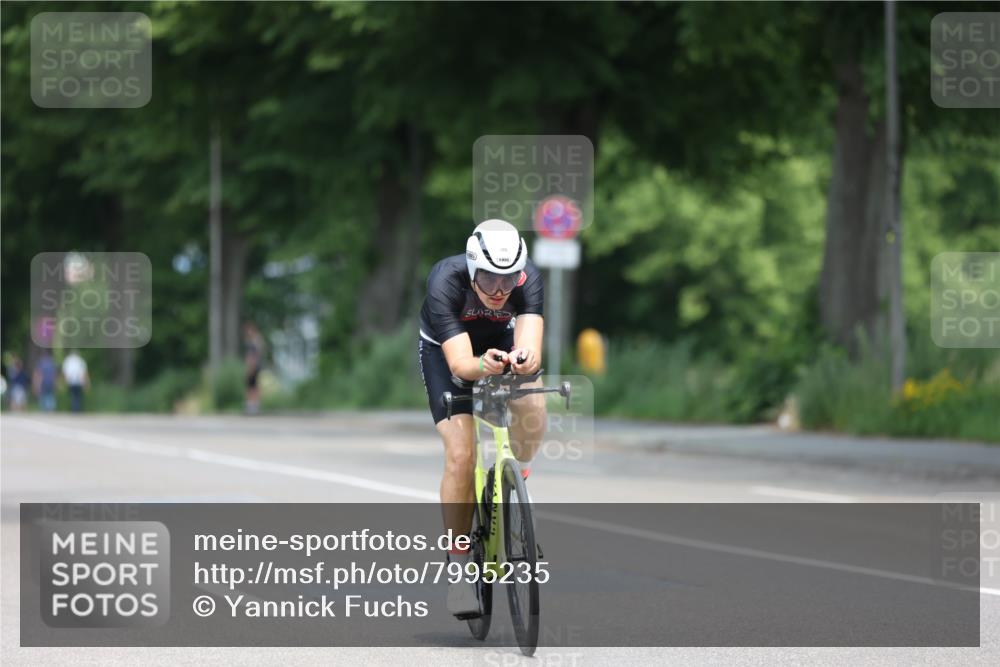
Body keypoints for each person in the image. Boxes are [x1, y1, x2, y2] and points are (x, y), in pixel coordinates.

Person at [417, 219, 547, 616]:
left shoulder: (528, 281)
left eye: (508, 280)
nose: (499, 290)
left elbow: (531, 349)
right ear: (473, 268)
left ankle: (516, 482)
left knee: (534, 406)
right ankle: (457, 567)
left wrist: (523, 361)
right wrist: (482, 365)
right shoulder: (446, 280)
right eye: (489, 278)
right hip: (448, 350)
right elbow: (461, 364)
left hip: (501, 341)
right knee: (461, 455)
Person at [243, 322, 265, 414]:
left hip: (253, 366)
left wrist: (251, 366)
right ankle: (252, 406)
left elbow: (254, 356)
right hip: (253, 366)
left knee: (252, 386)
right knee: (252, 386)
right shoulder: (254, 341)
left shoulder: (254, 341)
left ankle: (253, 407)